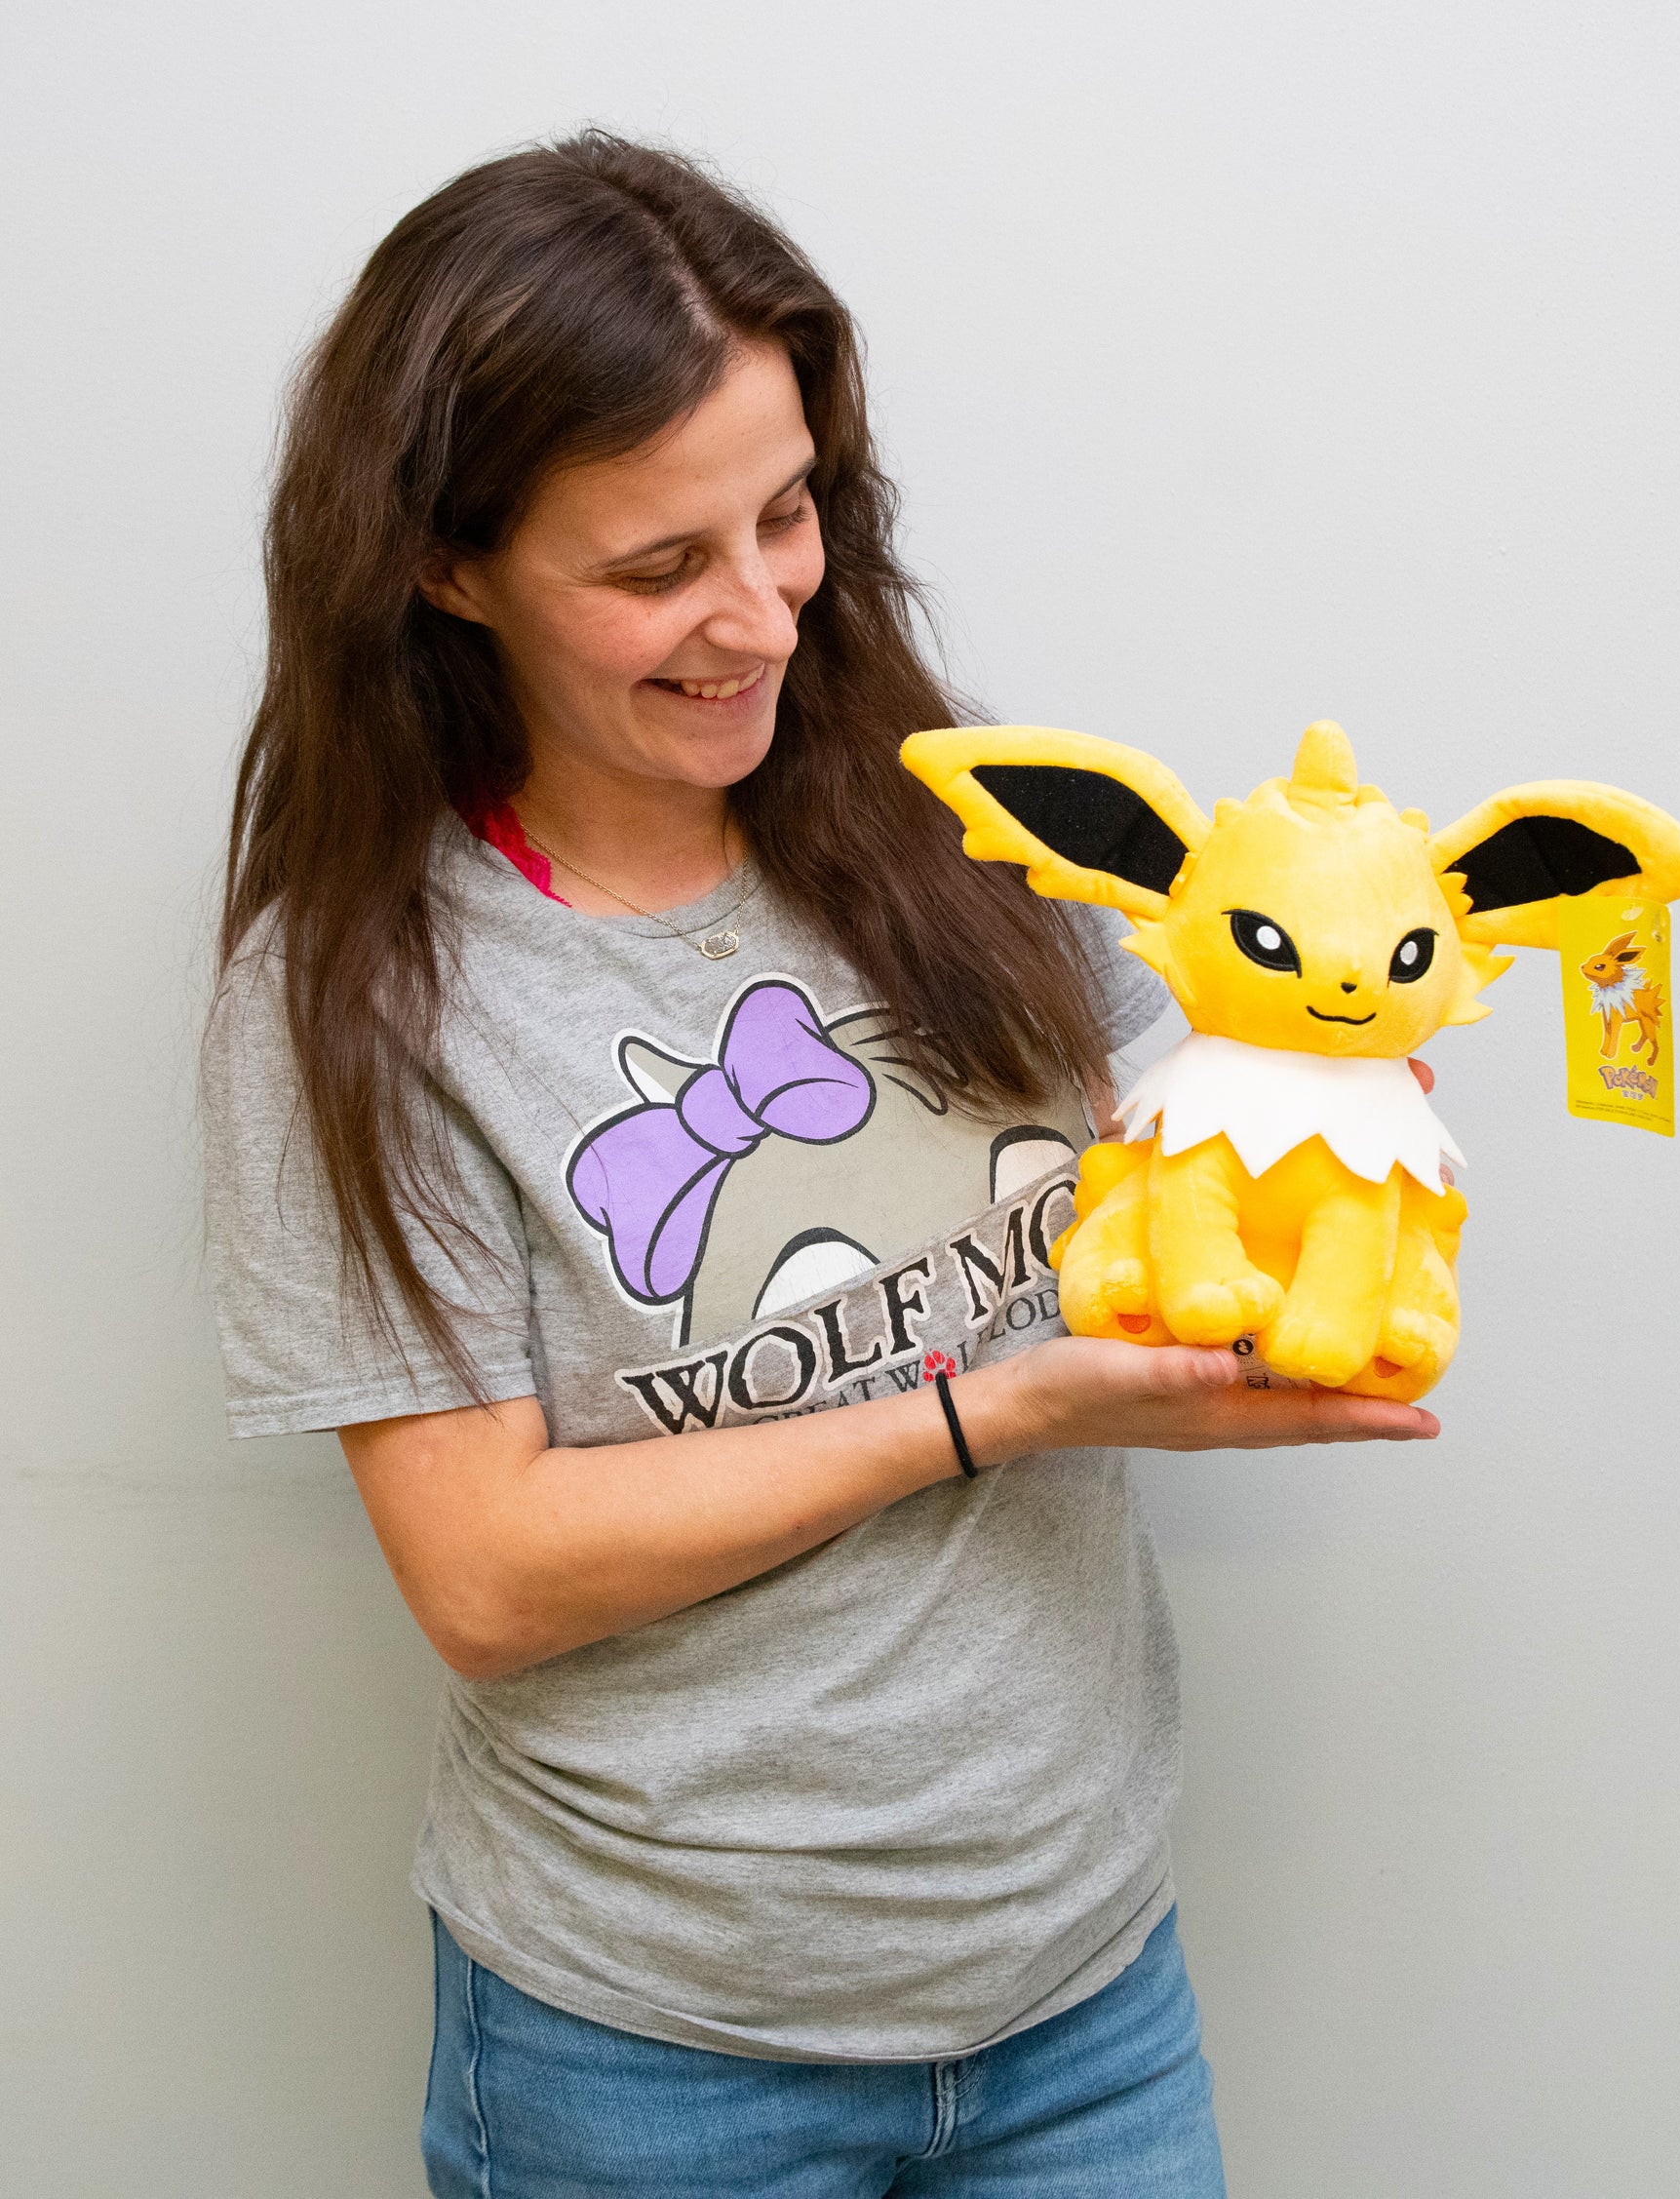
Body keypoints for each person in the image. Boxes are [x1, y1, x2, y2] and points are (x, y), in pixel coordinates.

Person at [203, 132, 1437, 2198]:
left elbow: (1181, 1142)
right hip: (652, 2058)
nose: (761, 615)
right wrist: (990, 1409)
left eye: (785, 516)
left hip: (1084, 1992)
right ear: (443, 564)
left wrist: (1343, 1055)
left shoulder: (953, 818)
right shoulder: (363, 992)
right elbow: (487, 1579)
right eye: (655, 566)